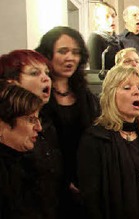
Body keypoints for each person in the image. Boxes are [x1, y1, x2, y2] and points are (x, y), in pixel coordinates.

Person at [77, 65, 139, 218]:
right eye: (127, 87)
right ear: (111, 95)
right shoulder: (95, 139)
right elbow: (91, 201)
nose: (137, 91)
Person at [34, 27, 101, 212]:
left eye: (76, 52)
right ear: (48, 54)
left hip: (85, 184)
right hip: (48, 187)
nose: (70, 57)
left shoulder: (87, 97)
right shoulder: (36, 96)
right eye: (63, 51)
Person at [0, 83, 53, 218]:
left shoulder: (26, 165)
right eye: (31, 120)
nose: (39, 127)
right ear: (2, 124)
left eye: (38, 119)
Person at [88, 2, 122, 71]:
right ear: (98, 20)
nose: (112, 20)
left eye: (113, 16)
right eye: (107, 17)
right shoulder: (95, 39)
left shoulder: (118, 41)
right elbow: (95, 71)